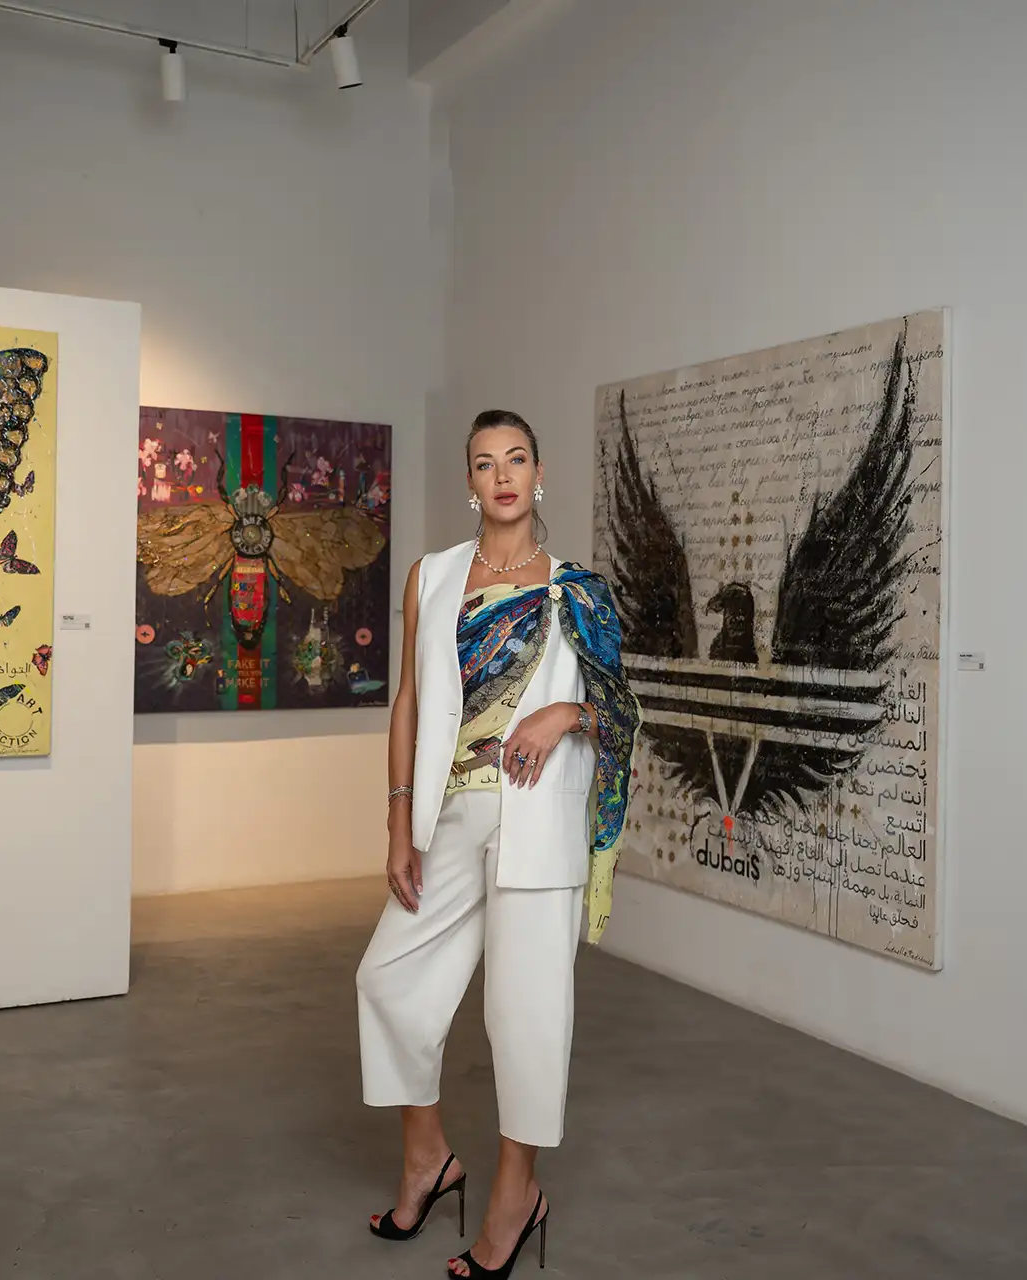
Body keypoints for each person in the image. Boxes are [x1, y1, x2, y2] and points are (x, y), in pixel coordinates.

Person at [355, 409, 639, 1278]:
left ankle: (516, 1196)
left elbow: (624, 713)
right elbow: (409, 701)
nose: (503, 475)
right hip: (449, 818)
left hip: (538, 822)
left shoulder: (578, 591)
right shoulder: (433, 576)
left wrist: (567, 714)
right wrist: (399, 822)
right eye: (485, 463)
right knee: (388, 979)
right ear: (470, 482)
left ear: (538, 474)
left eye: (516, 459)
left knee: (525, 1013)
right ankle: (428, 1159)